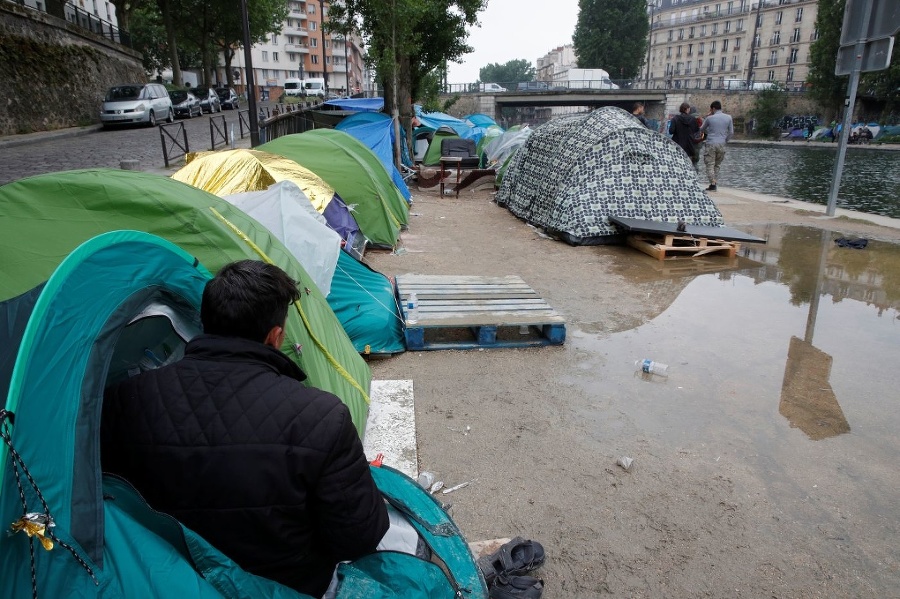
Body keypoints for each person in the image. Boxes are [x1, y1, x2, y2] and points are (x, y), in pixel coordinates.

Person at [101, 260, 389, 597]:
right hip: (289, 588)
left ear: (205, 322)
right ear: (275, 336)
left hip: (164, 585)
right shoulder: (322, 416)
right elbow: (359, 537)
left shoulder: (122, 399)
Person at [698, 100, 734, 192]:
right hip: (722, 144)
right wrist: (725, 140)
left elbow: (701, 129)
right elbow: (731, 132)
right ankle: (714, 182)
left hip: (711, 143)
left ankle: (713, 184)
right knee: (717, 165)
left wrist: (707, 116)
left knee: (710, 164)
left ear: (713, 108)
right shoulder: (729, 117)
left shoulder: (710, 118)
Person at [669, 102, 701, 168]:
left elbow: (671, 131)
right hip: (689, 145)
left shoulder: (675, 119)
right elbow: (696, 131)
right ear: (687, 109)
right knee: (688, 165)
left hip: (677, 144)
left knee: (677, 164)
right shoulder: (693, 119)